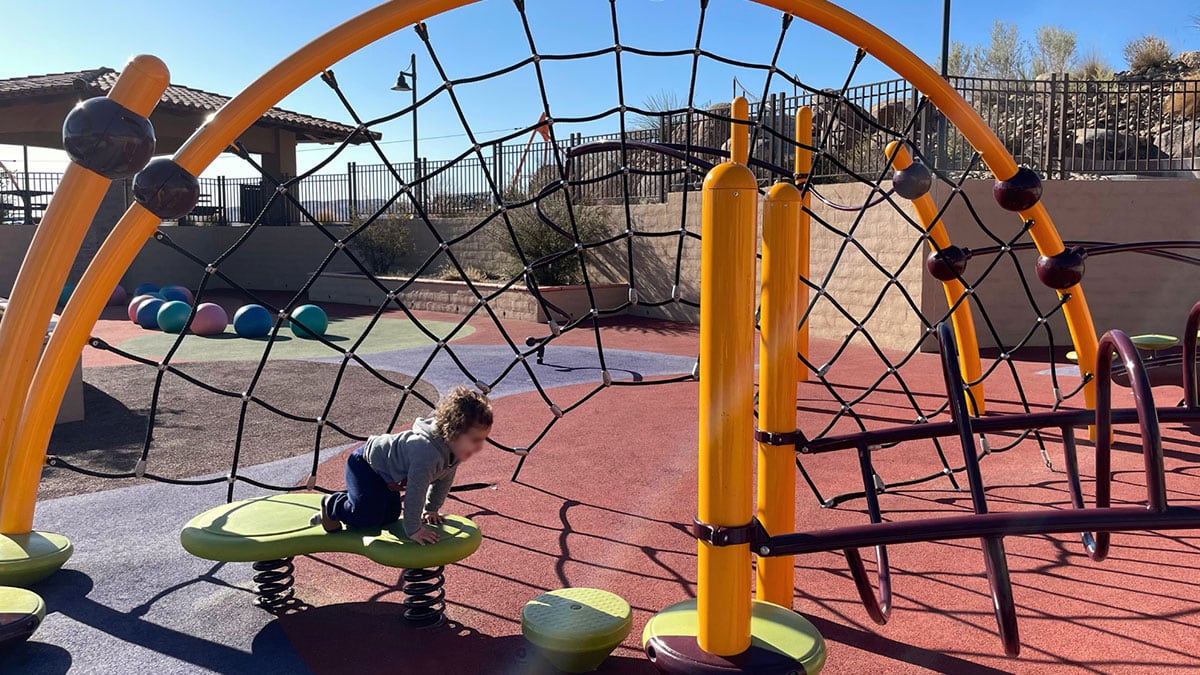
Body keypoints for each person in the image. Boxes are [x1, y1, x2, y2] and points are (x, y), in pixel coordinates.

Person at [312, 385, 493, 545]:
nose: (479, 447)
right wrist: (414, 530)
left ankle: (358, 497)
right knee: (367, 516)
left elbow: (443, 481)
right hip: (366, 465)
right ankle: (331, 505)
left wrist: (430, 509)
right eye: (475, 440)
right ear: (453, 432)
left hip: (388, 478)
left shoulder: (454, 452)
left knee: (390, 516)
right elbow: (415, 491)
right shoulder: (426, 454)